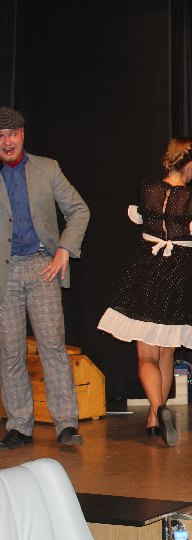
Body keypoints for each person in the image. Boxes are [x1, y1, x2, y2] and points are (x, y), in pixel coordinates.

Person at [98, 138, 192, 447]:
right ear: (191, 165)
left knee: (146, 355)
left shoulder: (147, 190)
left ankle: (157, 410)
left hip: (146, 269)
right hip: (179, 273)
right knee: (167, 350)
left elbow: (148, 225)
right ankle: (156, 415)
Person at [0, 106, 90, 450]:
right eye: (0, 136)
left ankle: (66, 424)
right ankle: (19, 426)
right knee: (10, 352)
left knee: (52, 346)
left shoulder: (47, 168)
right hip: (5, 272)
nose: (7, 142)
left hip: (43, 266)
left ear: (23, 134)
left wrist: (64, 249)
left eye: (12, 134)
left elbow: (79, 210)